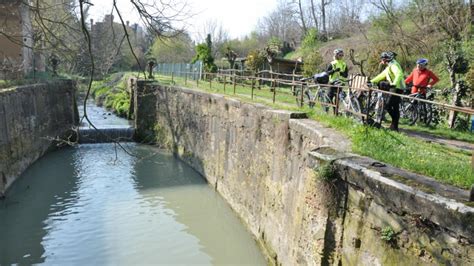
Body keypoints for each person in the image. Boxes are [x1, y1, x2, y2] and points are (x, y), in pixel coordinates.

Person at [369, 51, 405, 131]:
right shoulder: (389, 65)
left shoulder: (393, 65)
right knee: (395, 107)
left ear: (385, 59)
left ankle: (394, 125)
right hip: (396, 87)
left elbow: (399, 74)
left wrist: (394, 83)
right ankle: (394, 127)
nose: (381, 60)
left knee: (388, 105)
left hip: (397, 88)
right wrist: (371, 81)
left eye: (382, 59)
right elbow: (382, 75)